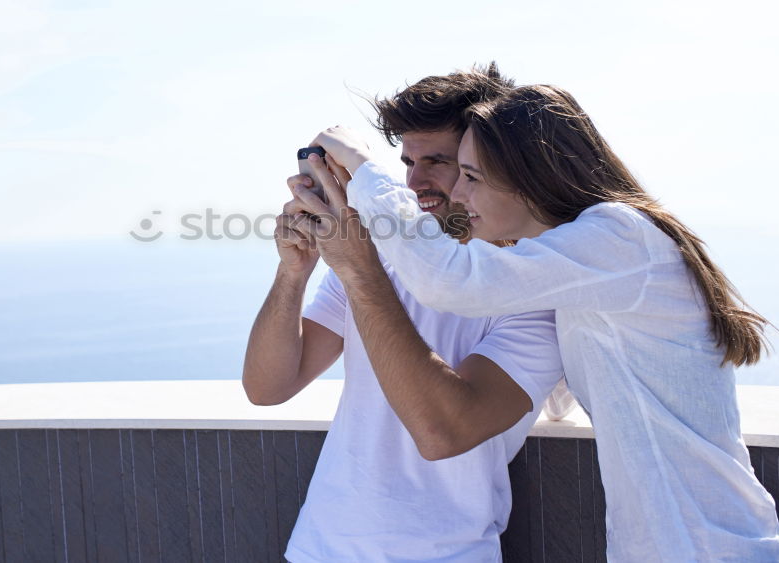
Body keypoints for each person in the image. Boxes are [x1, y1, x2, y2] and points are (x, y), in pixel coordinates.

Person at [293, 83, 779, 561]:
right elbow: (566, 390)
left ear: (530, 175)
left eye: (473, 176)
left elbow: (449, 281)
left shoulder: (620, 235)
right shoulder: (583, 264)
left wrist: (363, 169)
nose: (460, 196)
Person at [243, 66, 568, 561]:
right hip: (318, 548)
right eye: (408, 162)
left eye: (438, 161)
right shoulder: (380, 258)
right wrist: (294, 273)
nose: (416, 183)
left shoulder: (531, 289)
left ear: (492, 162)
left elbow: (442, 431)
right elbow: (268, 388)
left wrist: (358, 269)